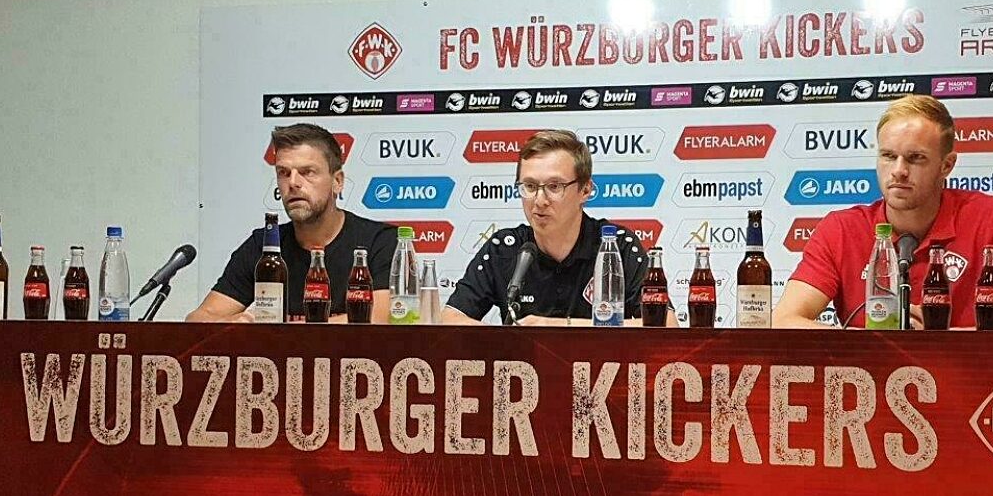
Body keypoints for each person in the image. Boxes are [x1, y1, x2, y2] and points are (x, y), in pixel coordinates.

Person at [773, 95, 993, 329]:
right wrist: (880, 342)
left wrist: (942, 339)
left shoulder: (991, 217)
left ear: (946, 165)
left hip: (965, 376)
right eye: (888, 156)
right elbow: (784, 321)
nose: (898, 170)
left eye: (915, 158)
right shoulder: (841, 229)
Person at [443, 129, 672, 326]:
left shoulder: (617, 247)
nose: (539, 200)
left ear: (585, 190)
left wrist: (558, 327)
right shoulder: (504, 248)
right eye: (530, 186)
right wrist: (511, 336)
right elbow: (451, 319)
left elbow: (666, 325)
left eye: (554, 186)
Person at [187, 123, 397, 323]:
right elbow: (198, 319)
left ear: (338, 181)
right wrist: (235, 323)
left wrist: (283, 330)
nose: (293, 183)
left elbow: (380, 318)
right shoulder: (265, 246)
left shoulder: (379, 242)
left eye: (307, 172)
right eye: (283, 173)